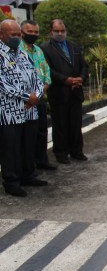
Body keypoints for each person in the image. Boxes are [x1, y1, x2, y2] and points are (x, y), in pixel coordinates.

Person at [0, 19, 46, 197]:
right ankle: (11, 182)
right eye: (13, 35)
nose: (18, 38)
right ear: (2, 35)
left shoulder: (22, 53)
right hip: (9, 111)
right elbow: (2, 84)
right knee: (11, 149)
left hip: (30, 109)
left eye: (19, 35)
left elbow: (36, 76)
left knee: (28, 145)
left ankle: (28, 175)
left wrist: (37, 94)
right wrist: (27, 97)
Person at [41, 19, 88, 164]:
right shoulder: (44, 49)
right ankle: (61, 153)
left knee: (75, 124)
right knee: (60, 124)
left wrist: (80, 78)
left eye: (62, 31)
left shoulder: (74, 47)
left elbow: (84, 66)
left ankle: (77, 151)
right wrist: (65, 80)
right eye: (57, 31)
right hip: (59, 92)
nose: (60, 34)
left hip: (75, 91)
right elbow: (48, 70)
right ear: (51, 31)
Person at [20, 20, 56, 171]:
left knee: (42, 131)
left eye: (36, 32)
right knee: (27, 135)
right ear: (22, 32)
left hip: (40, 97)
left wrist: (43, 88)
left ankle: (42, 160)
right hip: (26, 100)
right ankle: (28, 165)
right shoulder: (18, 50)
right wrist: (31, 96)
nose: (33, 35)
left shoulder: (38, 50)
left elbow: (46, 72)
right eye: (30, 32)